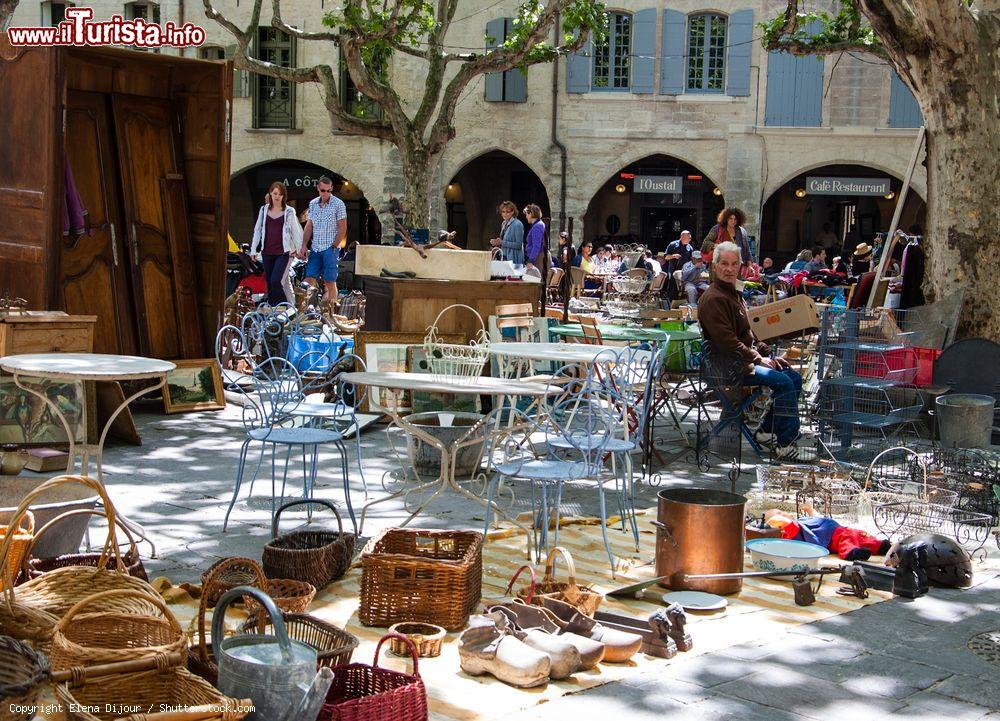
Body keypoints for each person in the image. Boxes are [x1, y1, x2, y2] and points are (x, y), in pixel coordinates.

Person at [698, 242, 803, 460]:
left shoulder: (733, 293)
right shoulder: (713, 298)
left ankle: (766, 432)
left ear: (740, 267)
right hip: (727, 367)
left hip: (743, 362)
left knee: (792, 377)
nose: (729, 268)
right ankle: (785, 444)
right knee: (783, 382)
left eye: (734, 264)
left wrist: (766, 354)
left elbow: (748, 334)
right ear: (715, 266)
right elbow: (727, 342)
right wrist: (757, 359)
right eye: (724, 263)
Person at [250, 181, 302, 306]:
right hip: (267, 251)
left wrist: (299, 249)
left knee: (276, 281)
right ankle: (273, 310)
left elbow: (295, 231)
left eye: (280, 194)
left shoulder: (289, 211)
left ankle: (285, 308)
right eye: (275, 193)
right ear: (270, 194)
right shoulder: (263, 210)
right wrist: (253, 249)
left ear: (284, 196)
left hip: (282, 252)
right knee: (269, 282)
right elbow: (257, 230)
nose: (277, 197)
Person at [299, 176, 346, 302]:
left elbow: (343, 227)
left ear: (331, 189)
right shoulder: (313, 204)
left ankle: (332, 311)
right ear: (318, 189)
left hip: (330, 247)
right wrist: (304, 245)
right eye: (323, 190)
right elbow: (309, 225)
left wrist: (335, 246)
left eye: (328, 191)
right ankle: (307, 310)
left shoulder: (338, 204)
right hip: (316, 247)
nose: (326, 193)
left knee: (330, 281)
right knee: (309, 279)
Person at [491, 201, 525, 267]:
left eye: (507, 212)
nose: (505, 214)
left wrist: (502, 242)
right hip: (504, 258)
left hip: (514, 259)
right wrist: (497, 242)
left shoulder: (518, 224)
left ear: (512, 212)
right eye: (503, 212)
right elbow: (504, 240)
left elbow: (518, 245)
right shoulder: (503, 223)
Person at [523, 204, 546, 271]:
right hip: (537, 256)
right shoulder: (537, 225)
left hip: (538, 257)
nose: (526, 217)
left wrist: (531, 261)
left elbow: (536, 246)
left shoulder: (537, 226)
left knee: (535, 280)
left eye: (527, 214)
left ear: (530, 214)